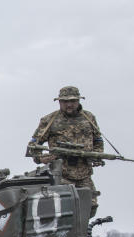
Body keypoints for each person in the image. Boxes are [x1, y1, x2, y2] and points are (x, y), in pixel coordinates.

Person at [27, 85, 104, 215]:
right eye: (65, 101)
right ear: (59, 102)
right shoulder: (49, 120)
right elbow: (33, 146)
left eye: (73, 101)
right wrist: (41, 158)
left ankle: (83, 235)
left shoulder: (88, 118)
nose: (69, 105)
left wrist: (98, 156)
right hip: (61, 174)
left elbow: (98, 140)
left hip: (84, 173)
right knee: (65, 209)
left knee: (91, 207)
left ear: (78, 101)